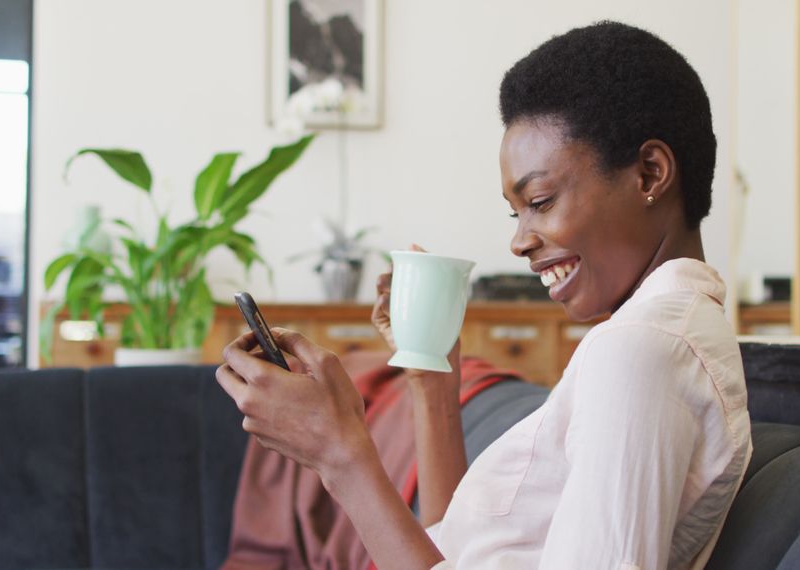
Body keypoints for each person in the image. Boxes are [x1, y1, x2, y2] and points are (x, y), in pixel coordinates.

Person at [217, 21, 751, 570]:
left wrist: (342, 456)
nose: (519, 241)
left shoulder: (641, 351)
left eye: (540, 200)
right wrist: (433, 382)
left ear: (650, 173)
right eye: (514, 211)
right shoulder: (647, 338)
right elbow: (454, 550)